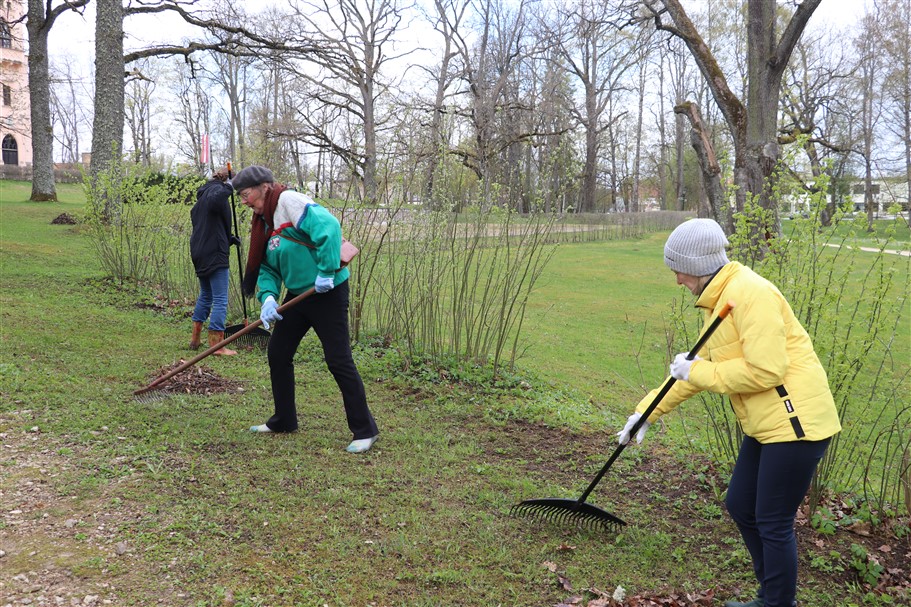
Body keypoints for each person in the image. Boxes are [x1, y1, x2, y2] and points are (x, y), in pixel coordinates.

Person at [616, 218, 841, 607]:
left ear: (700, 265)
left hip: (796, 422)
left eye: (679, 271)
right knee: (740, 503)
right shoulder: (721, 299)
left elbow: (766, 369)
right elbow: (693, 371)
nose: (678, 281)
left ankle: (775, 603)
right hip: (768, 423)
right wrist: (647, 412)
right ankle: (769, 595)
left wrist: (697, 369)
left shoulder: (749, 294)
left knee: (773, 520)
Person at [233, 165, 379, 454]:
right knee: (278, 353)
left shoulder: (289, 202)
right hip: (298, 294)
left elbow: (329, 227)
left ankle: (365, 430)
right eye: (240, 196)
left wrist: (326, 271)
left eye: (246, 194)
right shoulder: (262, 221)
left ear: (264, 186)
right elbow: (267, 267)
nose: (244, 201)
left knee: (338, 359)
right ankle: (284, 420)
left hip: (328, 291)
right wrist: (269, 298)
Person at [189, 169, 240, 356]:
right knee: (220, 299)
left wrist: (229, 238)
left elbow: (210, 226)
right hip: (214, 253)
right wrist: (229, 187)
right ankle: (216, 346)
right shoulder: (216, 192)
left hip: (200, 251)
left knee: (206, 295)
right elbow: (217, 200)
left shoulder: (202, 197)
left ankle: (195, 338)